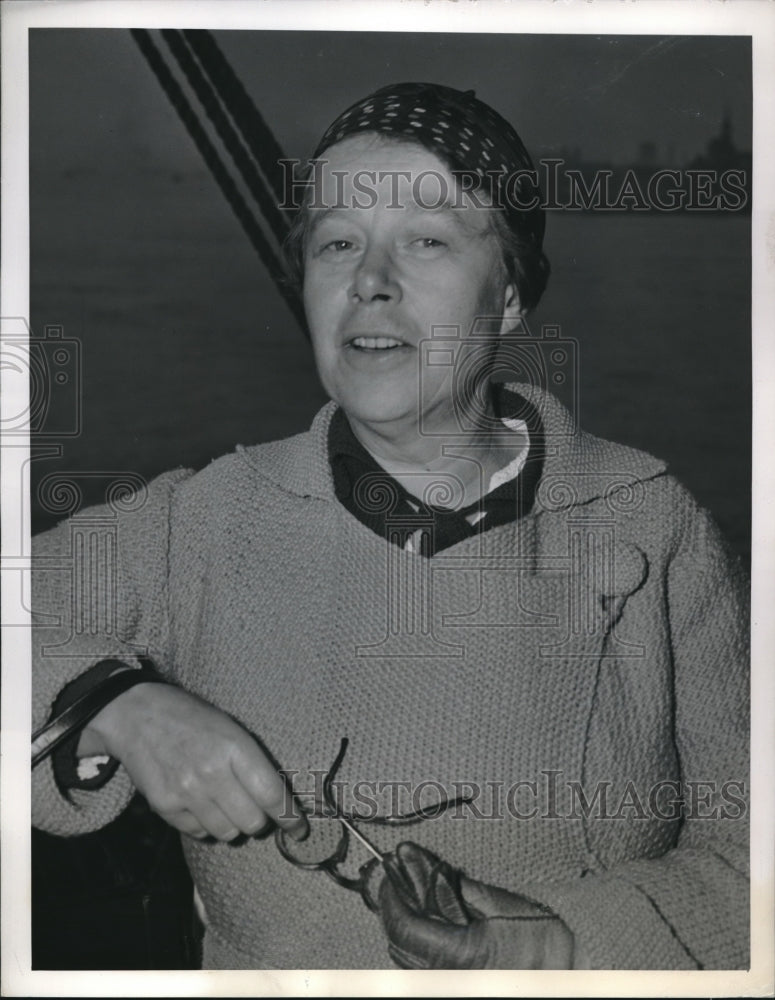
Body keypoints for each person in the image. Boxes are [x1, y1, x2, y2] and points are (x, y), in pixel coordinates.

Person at [30, 82, 749, 971]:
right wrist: (109, 707)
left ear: (512, 296)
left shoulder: (652, 525)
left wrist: (561, 948)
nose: (369, 282)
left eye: (428, 240)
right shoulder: (203, 521)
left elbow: (750, 862)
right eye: (337, 243)